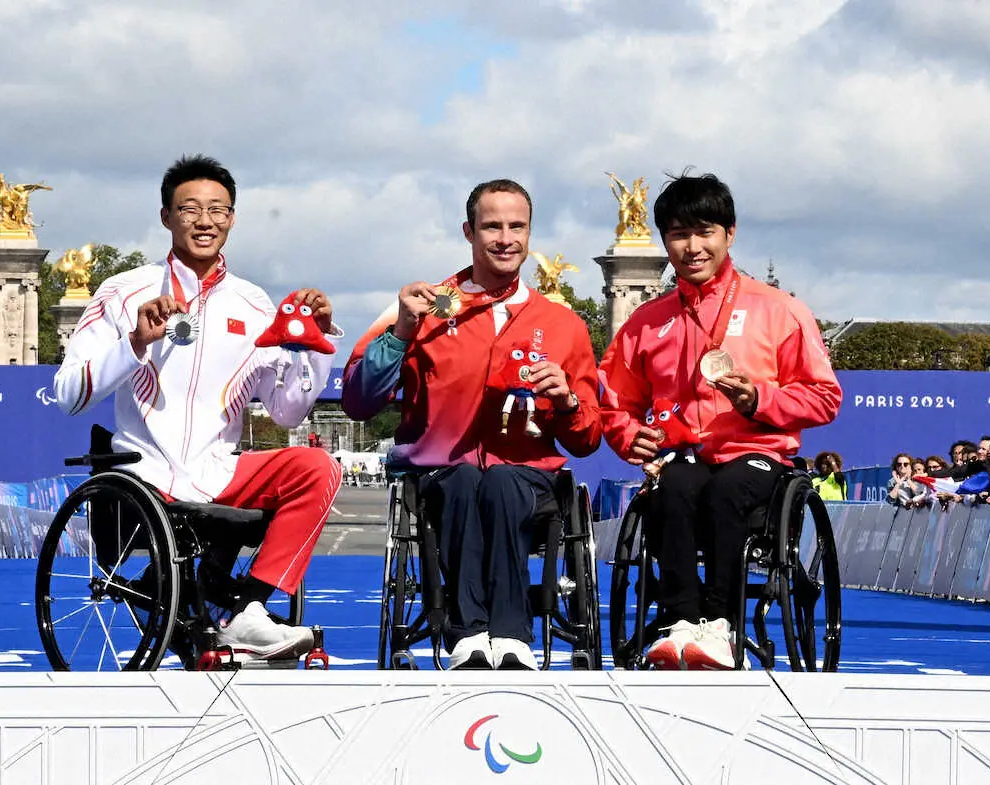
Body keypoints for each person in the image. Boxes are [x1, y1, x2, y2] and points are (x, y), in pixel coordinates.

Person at [53, 154, 343, 663]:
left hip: (220, 470)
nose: (204, 221)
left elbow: (288, 413)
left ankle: (250, 611)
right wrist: (135, 341)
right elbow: (69, 394)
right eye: (189, 209)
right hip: (143, 474)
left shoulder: (254, 304)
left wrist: (314, 345)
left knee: (318, 467)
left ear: (232, 218)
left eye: (218, 210)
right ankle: (191, 596)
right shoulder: (123, 292)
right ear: (166, 217)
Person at [342, 178, 602, 670]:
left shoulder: (563, 324)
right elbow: (358, 400)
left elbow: (587, 439)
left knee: (501, 481)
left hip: (526, 475)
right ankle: (469, 633)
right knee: (465, 479)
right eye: (491, 226)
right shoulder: (426, 305)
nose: (505, 238)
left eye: (516, 226)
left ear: (530, 233)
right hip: (442, 474)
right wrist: (401, 331)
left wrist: (567, 400)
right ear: (468, 231)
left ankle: (510, 634)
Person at [597, 172, 841, 670]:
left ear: (730, 233)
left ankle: (721, 625)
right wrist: (629, 436)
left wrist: (759, 400)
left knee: (727, 491)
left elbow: (824, 397)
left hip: (756, 456)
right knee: (672, 487)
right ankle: (682, 623)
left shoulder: (780, 310)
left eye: (704, 232)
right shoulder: (645, 322)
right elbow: (613, 400)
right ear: (664, 241)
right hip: (682, 455)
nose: (692, 247)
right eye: (679, 234)